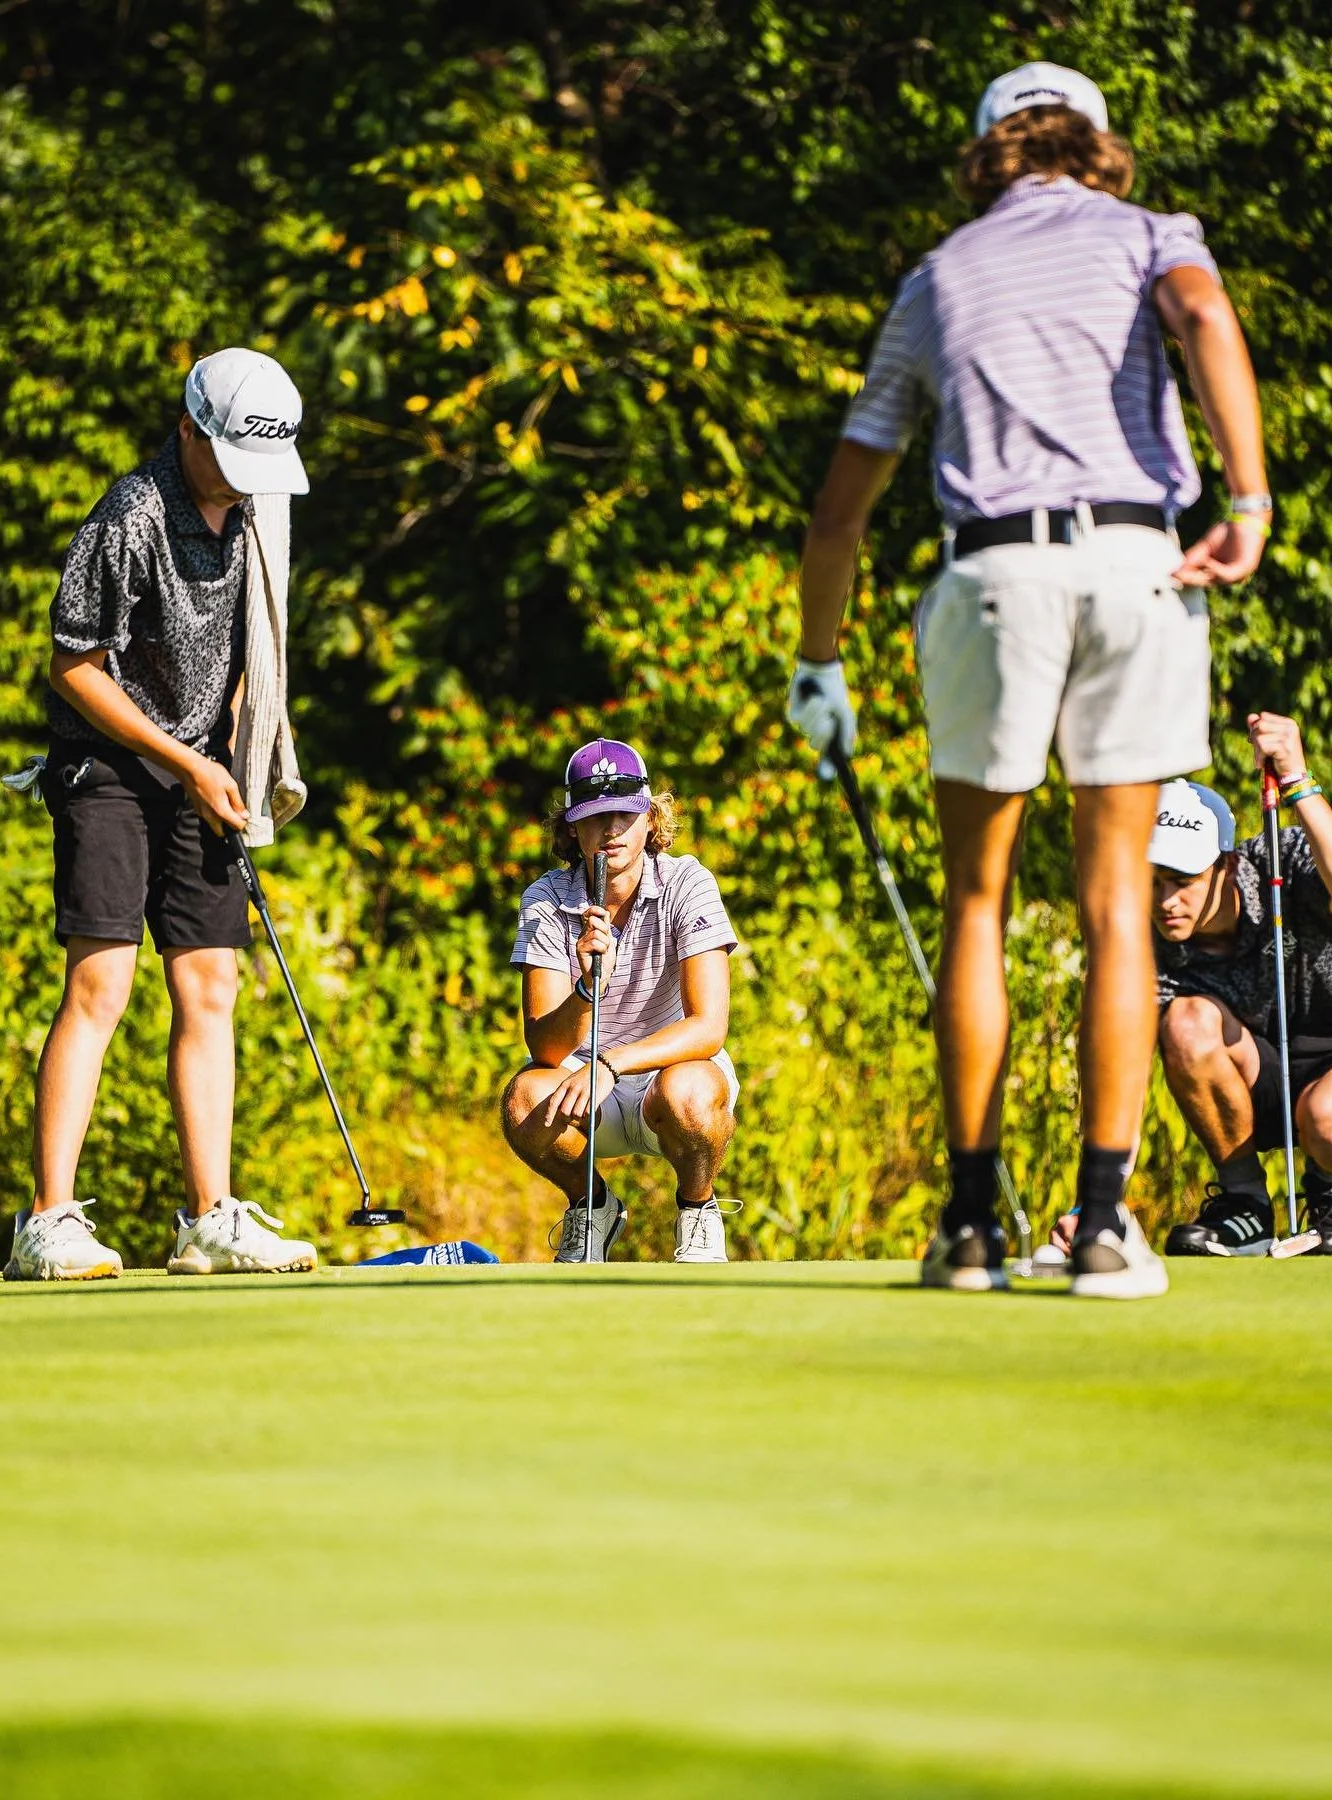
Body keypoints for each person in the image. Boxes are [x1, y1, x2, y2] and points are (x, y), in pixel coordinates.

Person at [787, 61, 1270, 1298]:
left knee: (978, 903)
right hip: (1132, 560)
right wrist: (1251, 500)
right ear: (1094, 143)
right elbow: (1209, 319)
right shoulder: (1149, 233)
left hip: (990, 578)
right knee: (1115, 900)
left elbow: (844, 503)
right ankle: (1103, 1228)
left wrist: (820, 661)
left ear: (986, 150)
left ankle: (967, 1230)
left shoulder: (939, 275)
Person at [4, 348, 318, 1280]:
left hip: (198, 772)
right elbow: (71, 664)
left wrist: (225, 760)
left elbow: (242, 653)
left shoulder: (257, 509)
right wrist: (183, 762)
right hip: (106, 766)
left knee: (210, 987)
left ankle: (208, 1218)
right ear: (188, 429)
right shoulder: (130, 515)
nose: (242, 482)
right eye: (226, 458)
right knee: (101, 985)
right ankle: (47, 1221)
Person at [501, 739, 739, 1263]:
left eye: (623, 814)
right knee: (522, 1101)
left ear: (650, 818)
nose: (610, 831)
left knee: (692, 1094)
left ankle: (697, 1208)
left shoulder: (688, 882)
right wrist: (589, 987)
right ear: (570, 828)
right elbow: (543, 1046)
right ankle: (593, 1207)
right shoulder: (545, 899)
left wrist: (611, 1062)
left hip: (669, 1076)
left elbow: (708, 1027)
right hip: (583, 1090)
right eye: (593, 817)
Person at [1148, 713, 1332, 1256]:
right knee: (1184, 1023)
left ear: (1226, 866)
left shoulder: (1287, 860)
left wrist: (1297, 779)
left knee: (1324, 1117)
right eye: (1152, 880)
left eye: (1182, 881)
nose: (1165, 900)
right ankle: (1247, 1206)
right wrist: (1094, 1198)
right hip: (1264, 1079)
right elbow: (1125, 1062)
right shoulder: (1150, 939)